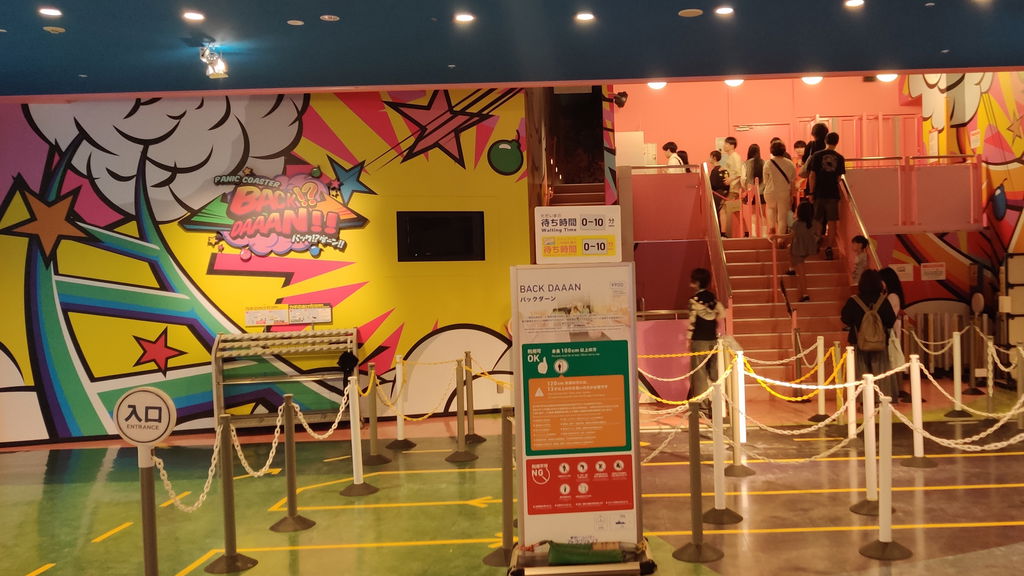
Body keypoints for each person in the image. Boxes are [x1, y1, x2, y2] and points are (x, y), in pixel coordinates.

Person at [841, 269, 897, 388]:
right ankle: (880, 396)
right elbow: (891, 321)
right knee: (880, 373)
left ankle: (863, 397)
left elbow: (845, 318)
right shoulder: (883, 301)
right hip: (880, 343)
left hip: (859, 342)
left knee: (860, 373)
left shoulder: (854, 301)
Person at [688, 267, 726, 405]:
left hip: (699, 340)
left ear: (697, 282)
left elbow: (692, 321)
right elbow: (722, 313)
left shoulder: (694, 300)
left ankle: (702, 406)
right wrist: (713, 317)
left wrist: (688, 338)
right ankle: (718, 404)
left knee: (699, 374)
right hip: (713, 339)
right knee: (714, 372)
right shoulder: (712, 298)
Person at [805, 132, 846, 260]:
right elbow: (839, 178)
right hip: (833, 194)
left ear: (826, 141)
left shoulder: (817, 155)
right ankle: (829, 247)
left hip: (819, 193)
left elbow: (812, 175)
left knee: (817, 219)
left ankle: (817, 240)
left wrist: (811, 192)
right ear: (837, 142)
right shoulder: (840, 158)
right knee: (832, 221)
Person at [879, 267, 912, 403]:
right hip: (893, 331)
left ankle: (896, 388)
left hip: (892, 332)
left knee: (893, 360)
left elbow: (890, 317)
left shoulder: (892, 296)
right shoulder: (891, 295)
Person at [782, 201, 818, 302]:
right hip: (806, 249)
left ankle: (805, 294)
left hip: (797, 250)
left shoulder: (797, 224)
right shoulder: (812, 224)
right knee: (789, 248)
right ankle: (791, 268)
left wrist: (777, 236)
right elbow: (817, 234)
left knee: (801, 274)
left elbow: (791, 236)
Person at [763, 140, 798, 235]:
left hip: (770, 192)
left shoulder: (768, 163)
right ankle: (781, 239)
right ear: (783, 150)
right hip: (784, 192)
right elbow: (792, 181)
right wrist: (792, 194)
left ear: (771, 150)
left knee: (770, 208)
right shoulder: (790, 163)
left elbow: (765, 181)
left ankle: (772, 227)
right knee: (782, 216)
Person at [719, 137, 744, 236]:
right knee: (736, 211)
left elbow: (738, 172)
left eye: (726, 144)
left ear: (732, 145)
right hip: (732, 188)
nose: (724, 145)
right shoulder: (730, 157)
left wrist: (730, 179)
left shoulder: (735, 156)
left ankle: (723, 233)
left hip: (733, 188)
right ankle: (745, 232)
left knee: (724, 210)